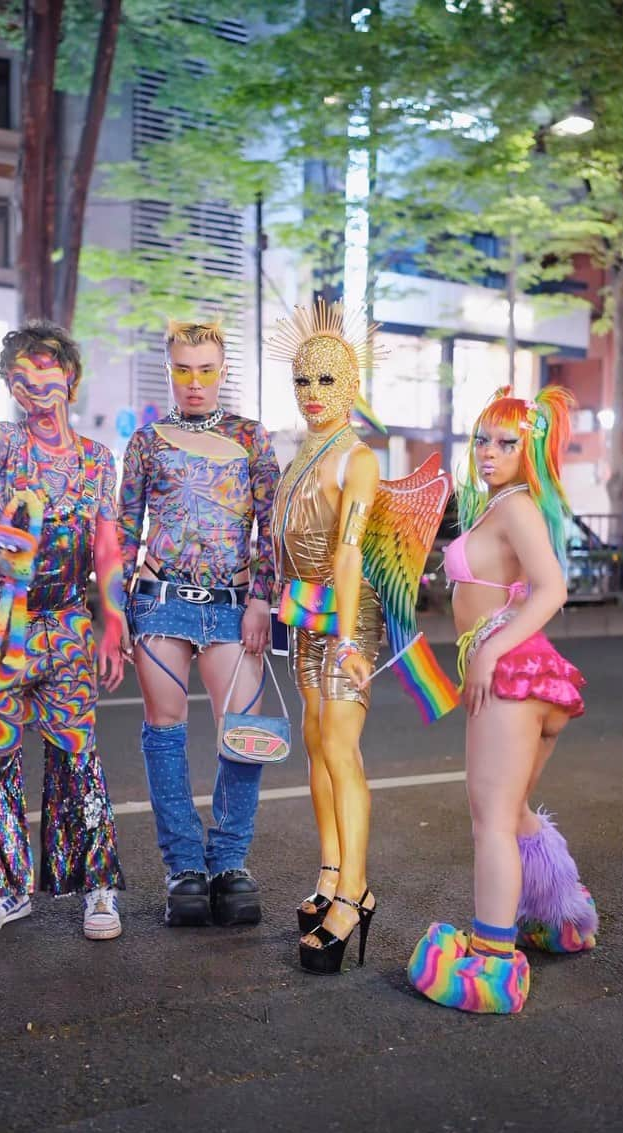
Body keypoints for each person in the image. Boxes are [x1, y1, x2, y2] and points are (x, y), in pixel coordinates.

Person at [408, 386, 598, 1014]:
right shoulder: (497, 505)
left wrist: (488, 651)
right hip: (528, 675)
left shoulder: (516, 506)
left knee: (489, 821)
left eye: (505, 442)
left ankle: (491, 964)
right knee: (511, 813)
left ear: (530, 449)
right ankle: (562, 913)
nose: (489, 452)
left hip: (510, 672)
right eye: (482, 440)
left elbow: (552, 589)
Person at [0, 322, 126, 939]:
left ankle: (94, 886)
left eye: (44, 374)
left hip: (66, 622)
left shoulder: (99, 461)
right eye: (18, 380)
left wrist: (114, 621)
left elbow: (107, 548)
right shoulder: (6, 441)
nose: (33, 389)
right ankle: (1, 888)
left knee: (77, 753)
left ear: (70, 378)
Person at [118, 320, 280, 927]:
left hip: (234, 605)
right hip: (160, 602)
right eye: (183, 369)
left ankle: (230, 862)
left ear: (222, 371)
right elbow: (122, 528)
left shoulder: (251, 438)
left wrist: (262, 598)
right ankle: (185, 867)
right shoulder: (145, 442)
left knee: (246, 733)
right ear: (170, 370)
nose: (195, 382)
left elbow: (270, 525)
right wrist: (116, 606)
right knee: (164, 730)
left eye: (206, 369)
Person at [269, 301, 384, 975]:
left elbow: (348, 553)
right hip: (306, 614)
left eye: (327, 381)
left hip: (346, 616)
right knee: (315, 741)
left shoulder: (356, 458)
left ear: (352, 383)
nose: (314, 395)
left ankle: (355, 894)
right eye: (302, 382)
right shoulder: (301, 456)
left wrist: (347, 638)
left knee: (341, 749)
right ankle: (330, 869)